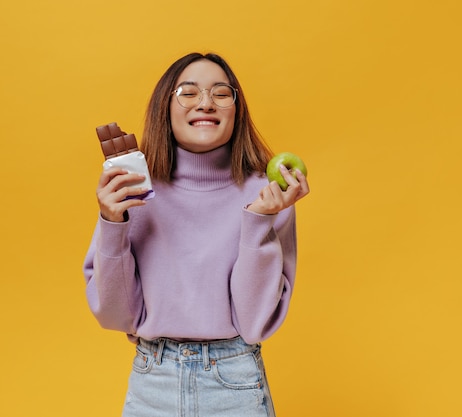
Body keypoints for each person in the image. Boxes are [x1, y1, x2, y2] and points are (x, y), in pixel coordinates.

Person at [83, 52, 310, 417]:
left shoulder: (269, 194)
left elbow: (254, 324)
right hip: (151, 383)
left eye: (221, 92)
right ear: (165, 108)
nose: (205, 102)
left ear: (236, 109)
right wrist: (113, 223)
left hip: (235, 385)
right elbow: (114, 315)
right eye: (188, 92)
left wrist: (258, 220)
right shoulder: (134, 192)